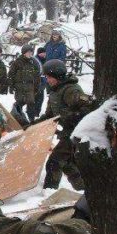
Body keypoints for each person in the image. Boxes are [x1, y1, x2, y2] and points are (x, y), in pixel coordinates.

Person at [36, 59, 92, 189]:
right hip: (67, 132)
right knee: (67, 163)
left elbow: (87, 110)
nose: (48, 80)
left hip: (77, 133)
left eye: (49, 77)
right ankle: (83, 188)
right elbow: (50, 116)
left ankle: (49, 191)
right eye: (46, 77)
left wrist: (69, 116)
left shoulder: (71, 90)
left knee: (54, 162)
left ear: (58, 75)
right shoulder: (55, 91)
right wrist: (32, 125)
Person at [8, 44, 42, 124]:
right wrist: (11, 86)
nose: (30, 54)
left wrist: (36, 87)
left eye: (31, 52)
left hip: (30, 87)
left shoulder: (34, 62)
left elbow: (37, 76)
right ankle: (17, 120)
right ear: (23, 53)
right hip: (19, 87)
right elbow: (11, 75)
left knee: (31, 104)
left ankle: (31, 121)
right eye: (28, 52)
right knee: (19, 103)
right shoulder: (17, 62)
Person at [32, 46, 48, 117]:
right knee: (36, 97)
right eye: (42, 53)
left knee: (40, 98)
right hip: (36, 82)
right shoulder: (35, 60)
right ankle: (33, 112)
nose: (44, 54)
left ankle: (36, 112)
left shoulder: (44, 60)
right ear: (39, 53)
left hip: (43, 82)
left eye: (45, 53)